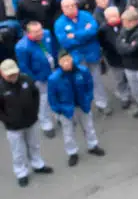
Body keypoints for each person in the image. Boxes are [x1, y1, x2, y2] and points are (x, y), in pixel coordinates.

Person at [46, 51, 105, 165]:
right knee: (68, 132)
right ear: (59, 63)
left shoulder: (82, 71)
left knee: (89, 127)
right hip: (66, 109)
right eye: (64, 61)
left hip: (82, 105)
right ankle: (72, 152)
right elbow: (52, 98)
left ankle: (93, 145)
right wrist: (59, 110)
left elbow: (89, 86)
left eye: (68, 59)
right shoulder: (54, 79)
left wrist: (88, 100)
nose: (67, 62)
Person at [53, 0, 109, 115]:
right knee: (80, 81)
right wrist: (84, 34)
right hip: (77, 56)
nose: (70, 8)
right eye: (67, 6)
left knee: (96, 79)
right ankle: (85, 105)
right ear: (62, 8)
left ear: (76, 5)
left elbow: (93, 31)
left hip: (92, 53)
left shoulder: (86, 15)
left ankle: (102, 103)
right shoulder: (59, 23)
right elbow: (65, 42)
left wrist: (75, 35)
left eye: (72, 5)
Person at [1, 58, 52, 187]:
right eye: (9, 74)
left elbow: (36, 95)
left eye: (14, 73)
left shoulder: (26, 80)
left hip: (31, 121)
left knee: (34, 145)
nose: (13, 76)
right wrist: (8, 120)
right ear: (2, 73)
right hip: (13, 127)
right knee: (18, 151)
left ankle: (37, 164)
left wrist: (34, 112)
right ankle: (21, 172)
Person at [14, 21, 56, 137]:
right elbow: (24, 67)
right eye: (36, 32)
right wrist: (35, 80)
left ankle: (58, 115)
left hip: (53, 71)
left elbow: (54, 49)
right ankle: (46, 124)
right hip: (40, 77)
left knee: (57, 94)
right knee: (44, 101)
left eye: (40, 30)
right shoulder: (22, 47)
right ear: (28, 33)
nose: (40, 33)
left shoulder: (46, 34)